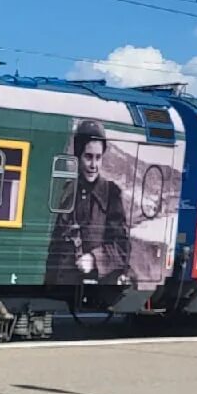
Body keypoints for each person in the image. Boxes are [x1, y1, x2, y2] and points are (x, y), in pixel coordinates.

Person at [44, 118, 131, 286]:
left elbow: (122, 248)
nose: (94, 165)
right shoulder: (67, 191)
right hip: (59, 287)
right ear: (78, 156)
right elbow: (55, 246)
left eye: (98, 158)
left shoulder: (111, 194)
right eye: (88, 157)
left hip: (92, 290)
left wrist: (94, 259)